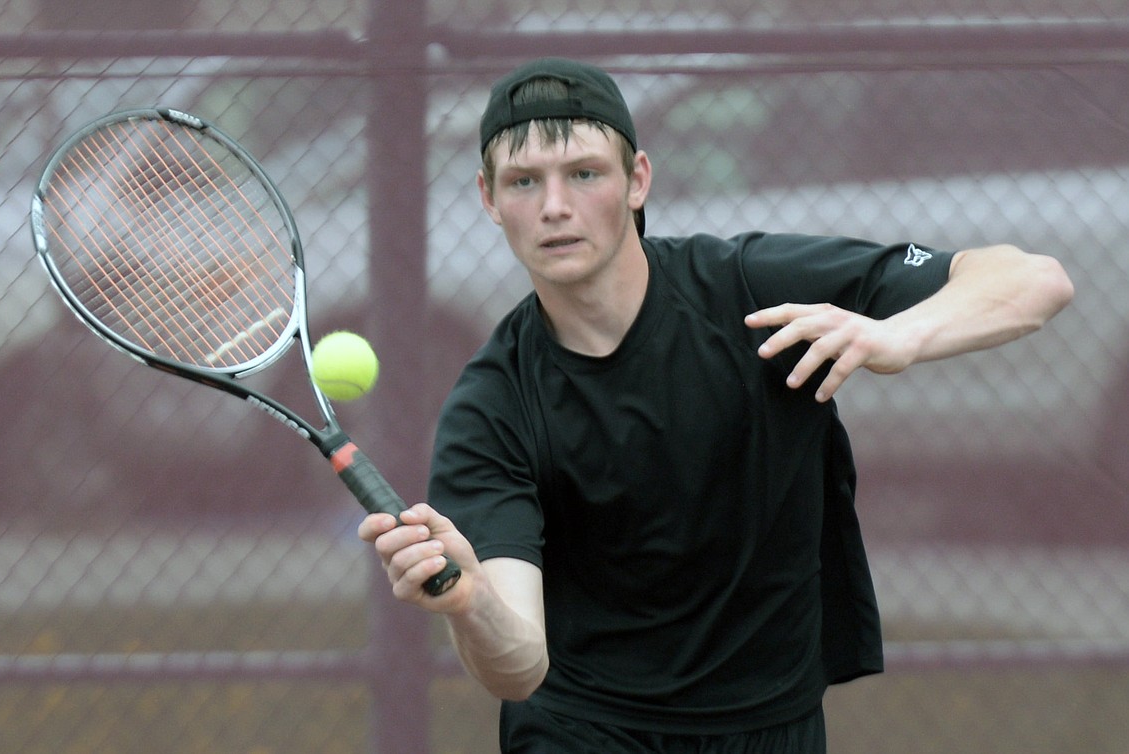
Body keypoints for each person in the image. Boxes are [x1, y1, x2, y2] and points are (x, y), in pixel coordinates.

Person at [358, 57, 1074, 753]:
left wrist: (897, 335)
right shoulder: (492, 408)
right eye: (524, 181)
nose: (554, 206)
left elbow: (1034, 280)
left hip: (771, 721)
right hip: (582, 727)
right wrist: (469, 601)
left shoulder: (756, 290)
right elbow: (518, 667)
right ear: (488, 198)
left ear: (637, 180)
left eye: (584, 173)